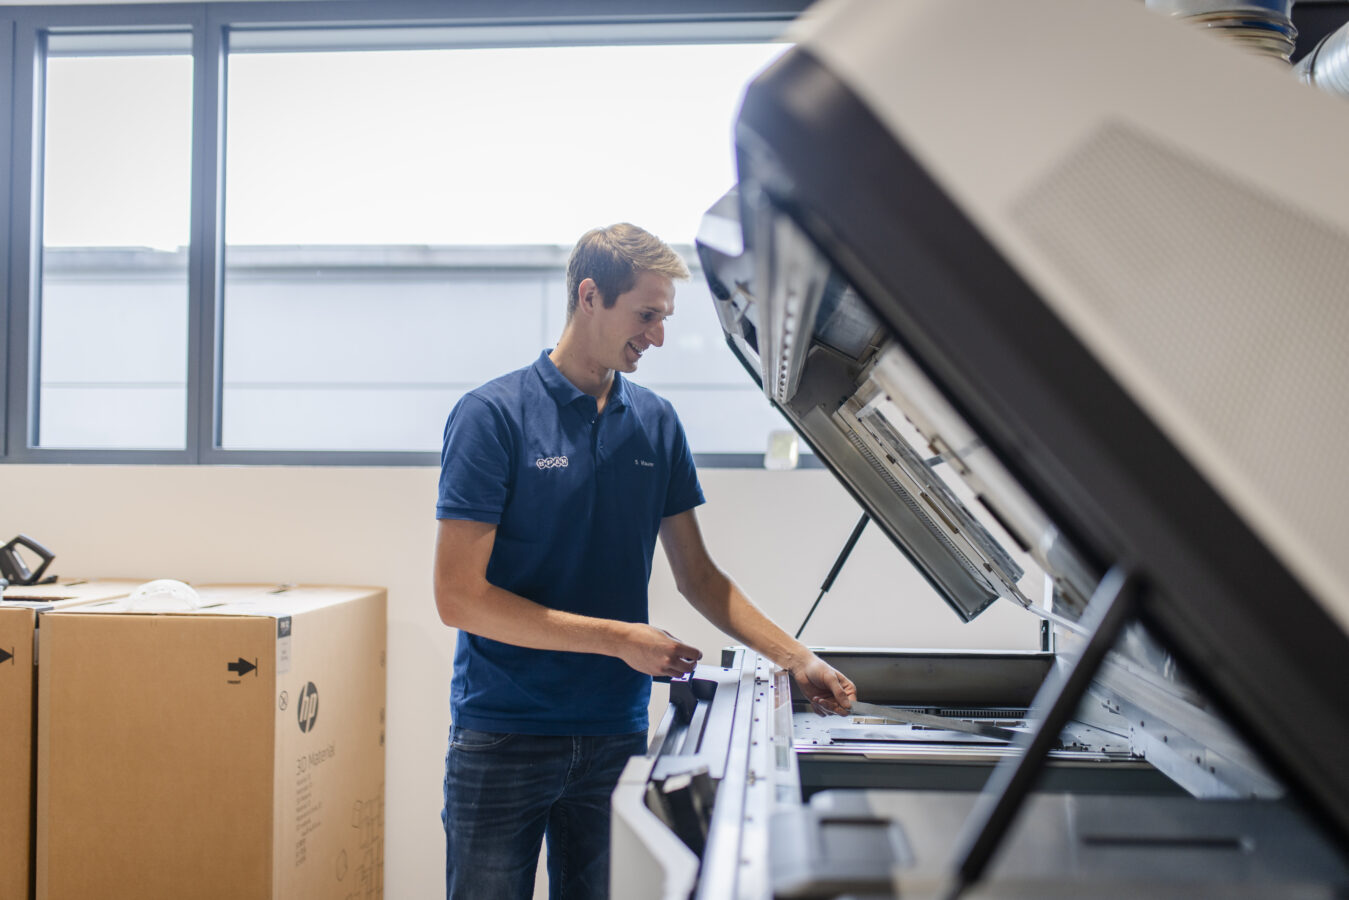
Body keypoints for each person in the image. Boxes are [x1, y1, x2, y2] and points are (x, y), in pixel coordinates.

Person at [433, 223, 856, 900]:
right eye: (646, 315)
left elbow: (700, 578)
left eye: (664, 318)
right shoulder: (492, 417)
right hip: (505, 732)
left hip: (616, 735)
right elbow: (459, 598)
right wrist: (617, 638)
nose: (658, 336)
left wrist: (795, 658)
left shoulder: (655, 423)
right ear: (590, 295)